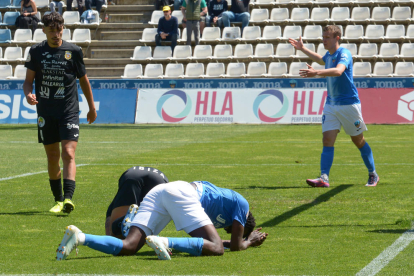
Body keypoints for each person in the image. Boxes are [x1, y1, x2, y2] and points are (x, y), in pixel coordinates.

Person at [55, 180, 268, 260]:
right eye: (230, 229)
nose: (226, 231)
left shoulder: (227, 205)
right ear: (242, 221)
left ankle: (80, 237)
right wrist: (250, 241)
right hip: (182, 192)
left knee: (129, 247)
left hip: (164, 191)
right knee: (216, 248)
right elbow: (236, 246)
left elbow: (213, 241)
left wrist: (237, 242)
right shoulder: (242, 205)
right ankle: (165, 242)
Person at [23, 12, 97, 214]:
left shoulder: (73, 51)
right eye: (52, 30)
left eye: (60, 29)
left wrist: (91, 107)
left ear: (63, 28)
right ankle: (57, 200)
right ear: (44, 30)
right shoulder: (36, 52)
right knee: (52, 156)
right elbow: (28, 81)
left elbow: (83, 80)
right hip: (45, 112)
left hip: (69, 111)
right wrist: (28, 94)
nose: (57, 34)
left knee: (68, 153)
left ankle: (68, 199)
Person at [288, 25, 379, 188]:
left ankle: (373, 174)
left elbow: (338, 71)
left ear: (337, 38)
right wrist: (302, 49)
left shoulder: (344, 53)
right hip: (331, 104)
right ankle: (324, 177)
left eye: (327, 37)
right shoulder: (329, 55)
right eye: (323, 37)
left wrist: (316, 73)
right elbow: (320, 59)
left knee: (358, 141)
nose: (324, 40)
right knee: (327, 140)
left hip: (349, 104)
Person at [105, 166, 169, 237]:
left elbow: (109, 215)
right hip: (160, 178)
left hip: (131, 174)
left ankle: (122, 224)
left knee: (116, 233)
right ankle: (147, 233)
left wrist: (111, 235)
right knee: (150, 214)